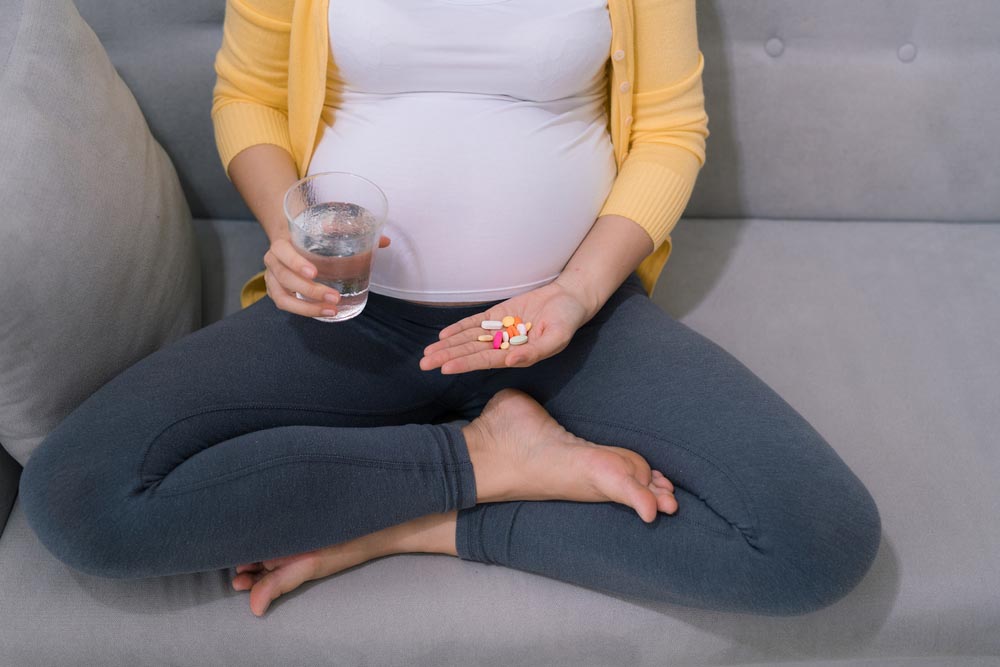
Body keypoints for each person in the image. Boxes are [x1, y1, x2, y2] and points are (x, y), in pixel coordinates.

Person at [20, 0, 881, 620]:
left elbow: (668, 126)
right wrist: (293, 228)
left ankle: (409, 524)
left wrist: (576, 293)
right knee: (77, 499)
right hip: (351, 316)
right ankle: (487, 456)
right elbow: (246, 93)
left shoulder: (570, 307)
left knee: (818, 541)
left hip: (555, 325)